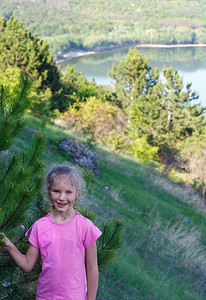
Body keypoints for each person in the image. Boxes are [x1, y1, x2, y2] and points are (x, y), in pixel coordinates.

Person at [3, 165, 102, 300]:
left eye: (68, 192)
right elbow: (27, 265)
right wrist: (8, 244)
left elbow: (92, 269)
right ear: (49, 191)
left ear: (77, 193)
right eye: (56, 191)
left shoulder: (85, 226)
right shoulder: (40, 226)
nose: (62, 197)